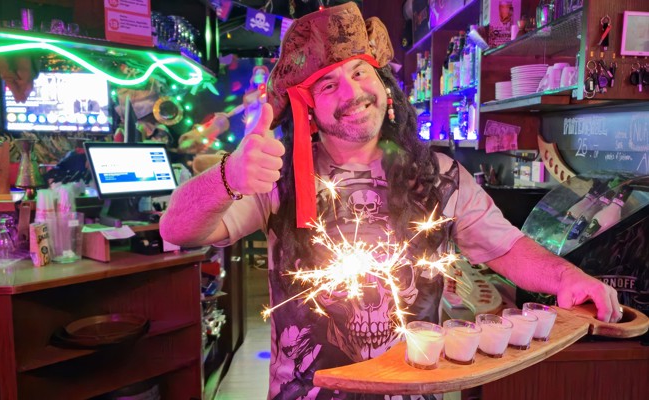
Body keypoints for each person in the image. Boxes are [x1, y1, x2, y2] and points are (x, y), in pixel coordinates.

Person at [160, 3, 622, 399]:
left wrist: (567, 277)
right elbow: (177, 230)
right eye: (328, 85)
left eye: (359, 72)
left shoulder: (440, 175)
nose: (352, 92)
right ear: (310, 111)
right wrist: (227, 176)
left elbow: (506, 247)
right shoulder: (279, 179)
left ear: (383, 84)